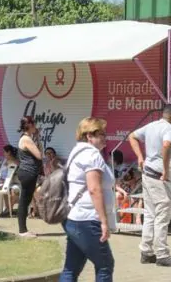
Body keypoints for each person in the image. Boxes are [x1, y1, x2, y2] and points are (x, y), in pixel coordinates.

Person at [60, 117, 115, 281]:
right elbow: (94, 189)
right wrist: (104, 222)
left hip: (73, 217)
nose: (105, 137)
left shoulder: (76, 152)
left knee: (71, 268)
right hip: (88, 219)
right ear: (89, 136)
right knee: (105, 265)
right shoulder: (92, 155)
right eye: (101, 134)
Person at [128, 104, 171, 267]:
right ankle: (162, 255)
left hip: (148, 175)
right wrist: (166, 170)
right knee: (161, 217)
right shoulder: (169, 129)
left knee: (150, 214)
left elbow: (132, 136)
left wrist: (140, 157)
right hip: (160, 179)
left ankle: (146, 251)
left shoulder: (152, 126)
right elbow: (166, 146)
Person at [16, 116, 43, 238]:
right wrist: (37, 138)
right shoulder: (26, 139)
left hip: (28, 172)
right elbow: (39, 155)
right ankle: (22, 230)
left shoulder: (27, 138)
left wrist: (36, 137)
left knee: (25, 201)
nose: (36, 127)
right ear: (30, 125)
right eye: (34, 125)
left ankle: (24, 229)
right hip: (28, 172)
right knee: (24, 201)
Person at [30, 147, 61, 218]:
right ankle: (36, 210)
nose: (49, 155)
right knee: (32, 190)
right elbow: (44, 175)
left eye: (51, 153)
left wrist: (52, 164)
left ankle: (39, 211)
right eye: (47, 153)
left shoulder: (58, 162)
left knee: (38, 191)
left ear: (54, 154)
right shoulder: (45, 164)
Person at [0, 144, 21, 218]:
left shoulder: (16, 161)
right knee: (4, 190)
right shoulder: (5, 160)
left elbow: (18, 166)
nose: (3, 153)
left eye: (4, 152)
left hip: (17, 183)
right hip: (8, 182)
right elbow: (1, 173)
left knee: (14, 191)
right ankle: (8, 209)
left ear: (8, 152)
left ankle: (9, 210)